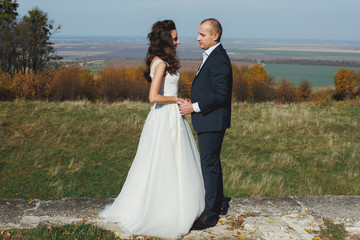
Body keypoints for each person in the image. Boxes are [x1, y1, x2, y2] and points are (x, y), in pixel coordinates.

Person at [99, 20, 205, 239]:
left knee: (175, 162)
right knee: (162, 162)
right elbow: (152, 96)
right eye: (175, 38)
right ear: (166, 40)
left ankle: (176, 205)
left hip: (171, 117)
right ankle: (162, 210)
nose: (179, 41)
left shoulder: (163, 60)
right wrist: (175, 99)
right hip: (164, 117)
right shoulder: (161, 63)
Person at [178, 18, 233, 230]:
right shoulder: (214, 55)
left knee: (208, 165)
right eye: (199, 33)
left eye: (202, 34)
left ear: (215, 36)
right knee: (212, 164)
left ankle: (210, 216)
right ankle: (217, 205)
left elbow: (221, 94)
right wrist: (195, 103)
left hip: (212, 121)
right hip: (210, 119)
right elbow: (211, 90)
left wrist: (194, 108)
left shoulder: (218, 58)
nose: (198, 37)